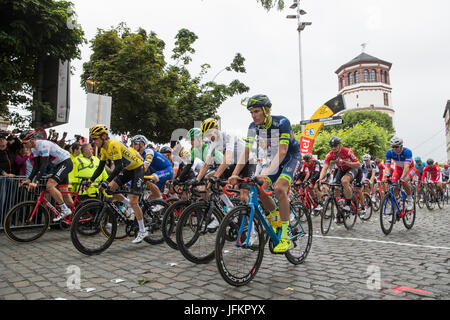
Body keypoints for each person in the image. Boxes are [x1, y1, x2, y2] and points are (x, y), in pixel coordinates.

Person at [229, 94, 301, 253]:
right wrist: (234, 174)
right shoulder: (253, 127)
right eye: (251, 113)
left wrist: (266, 172)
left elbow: (282, 152)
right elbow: (246, 152)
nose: (253, 116)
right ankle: (276, 215)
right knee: (260, 189)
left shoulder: (282, 122)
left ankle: (285, 233)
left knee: (280, 188)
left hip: (290, 157)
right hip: (273, 159)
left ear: (266, 110)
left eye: (256, 111)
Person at [88, 125, 147, 244]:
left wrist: (106, 181)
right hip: (128, 169)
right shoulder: (103, 149)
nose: (93, 142)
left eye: (95, 139)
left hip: (137, 168)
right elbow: (100, 167)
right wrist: (90, 180)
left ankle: (142, 230)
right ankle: (128, 205)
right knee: (110, 189)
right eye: (92, 139)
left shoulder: (113, 144)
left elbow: (118, 167)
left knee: (134, 200)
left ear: (104, 137)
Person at [19, 129, 74, 221]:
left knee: (50, 185)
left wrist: (36, 181)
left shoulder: (42, 145)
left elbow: (43, 165)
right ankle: (77, 215)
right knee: (65, 194)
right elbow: (36, 166)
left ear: (32, 140)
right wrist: (29, 179)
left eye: (25, 143)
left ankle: (65, 210)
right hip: (60, 165)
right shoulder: (34, 148)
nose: (23, 145)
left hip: (66, 163)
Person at [318, 136, 362, 214]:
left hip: (352, 168)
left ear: (340, 145)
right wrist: (320, 178)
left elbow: (358, 165)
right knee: (335, 187)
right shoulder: (330, 155)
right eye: (331, 146)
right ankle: (339, 207)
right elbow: (325, 167)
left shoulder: (347, 151)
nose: (333, 148)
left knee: (344, 181)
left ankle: (348, 204)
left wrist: (345, 162)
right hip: (341, 170)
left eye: (335, 146)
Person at [131, 136, 174, 200]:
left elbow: (145, 168)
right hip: (159, 172)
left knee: (150, 180)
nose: (133, 146)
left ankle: (160, 202)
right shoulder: (139, 154)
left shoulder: (149, 151)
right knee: (151, 198)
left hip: (167, 170)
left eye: (135, 143)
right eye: (132, 143)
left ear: (142, 144)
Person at [383, 136, 415, 210]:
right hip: (398, 169)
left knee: (403, 181)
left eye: (396, 147)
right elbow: (387, 166)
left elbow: (406, 167)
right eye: (393, 147)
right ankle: (396, 207)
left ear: (401, 146)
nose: (394, 149)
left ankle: (410, 199)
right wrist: (387, 175)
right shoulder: (389, 152)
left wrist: (402, 178)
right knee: (394, 185)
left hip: (410, 169)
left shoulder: (407, 152)